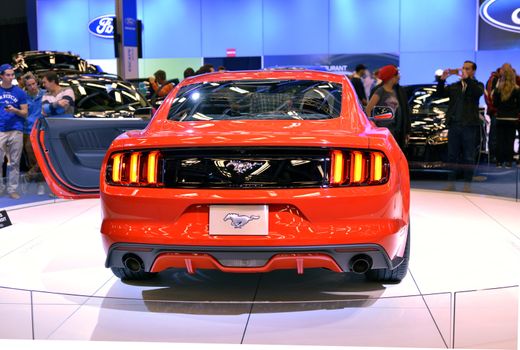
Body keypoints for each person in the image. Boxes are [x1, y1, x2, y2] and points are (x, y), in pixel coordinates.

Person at [437, 61, 485, 192]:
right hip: (455, 125)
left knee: (468, 156)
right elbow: (441, 94)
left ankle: (467, 185)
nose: (464, 70)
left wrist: (468, 80)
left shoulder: (477, 85)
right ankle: (450, 183)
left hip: (469, 126)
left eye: (467, 69)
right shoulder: (455, 86)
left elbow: (477, 93)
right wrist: (441, 81)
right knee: (452, 156)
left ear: (473, 71)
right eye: (463, 68)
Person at [365, 65, 410, 150]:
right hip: (383, 132)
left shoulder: (397, 91)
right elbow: (368, 109)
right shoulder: (380, 91)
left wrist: (406, 130)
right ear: (391, 77)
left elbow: (404, 111)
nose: (398, 77)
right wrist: (373, 126)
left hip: (395, 131)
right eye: (396, 75)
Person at [0, 64, 28, 199]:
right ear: (1, 76)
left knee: (15, 162)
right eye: (8, 75)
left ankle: (12, 189)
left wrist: (15, 110)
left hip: (16, 129)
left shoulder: (20, 92)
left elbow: (25, 113)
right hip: (0, 130)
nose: (11, 77)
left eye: (12, 75)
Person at [492, 64, 520, 168]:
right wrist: (514, 111)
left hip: (500, 117)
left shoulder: (499, 89)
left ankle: (499, 161)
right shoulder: (517, 89)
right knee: (510, 140)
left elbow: (495, 103)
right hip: (512, 118)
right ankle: (508, 161)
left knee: (500, 140)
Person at [22, 72, 46, 195]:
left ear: (37, 83)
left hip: (41, 129)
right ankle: (38, 184)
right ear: (26, 87)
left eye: (33, 84)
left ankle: (31, 177)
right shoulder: (24, 97)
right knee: (32, 157)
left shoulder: (44, 94)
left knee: (41, 155)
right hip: (27, 130)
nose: (32, 87)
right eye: (29, 85)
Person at [484, 67, 501, 163]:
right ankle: (493, 155)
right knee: (494, 134)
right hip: (495, 111)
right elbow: (489, 96)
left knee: (497, 134)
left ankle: (495, 155)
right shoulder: (493, 80)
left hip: (497, 111)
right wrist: (494, 108)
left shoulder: (494, 80)